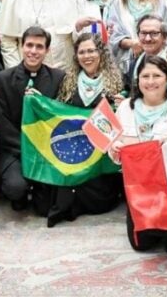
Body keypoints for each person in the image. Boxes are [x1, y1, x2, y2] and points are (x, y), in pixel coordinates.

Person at [111, 56, 167, 254]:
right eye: (145, 76)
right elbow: (113, 143)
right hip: (138, 186)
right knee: (141, 244)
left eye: (157, 76)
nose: (151, 82)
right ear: (138, 80)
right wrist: (115, 148)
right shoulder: (125, 108)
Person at [48, 33, 124, 227]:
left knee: (100, 203)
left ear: (101, 53)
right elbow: (58, 112)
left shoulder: (117, 81)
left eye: (91, 51)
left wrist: (123, 105)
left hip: (102, 155)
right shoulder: (68, 81)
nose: (86, 56)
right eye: (82, 52)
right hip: (75, 150)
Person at [0, 27, 65, 212]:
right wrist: (28, 150)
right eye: (29, 45)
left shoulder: (58, 78)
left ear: (47, 50)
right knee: (15, 187)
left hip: (45, 150)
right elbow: (2, 124)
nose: (33, 51)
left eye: (39, 47)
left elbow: (59, 118)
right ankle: (22, 192)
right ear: (21, 46)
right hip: (14, 150)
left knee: (46, 207)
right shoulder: (2, 79)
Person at [125, 14, 167, 91]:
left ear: (164, 37)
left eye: (154, 33)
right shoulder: (134, 64)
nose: (148, 39)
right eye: (143, 33)